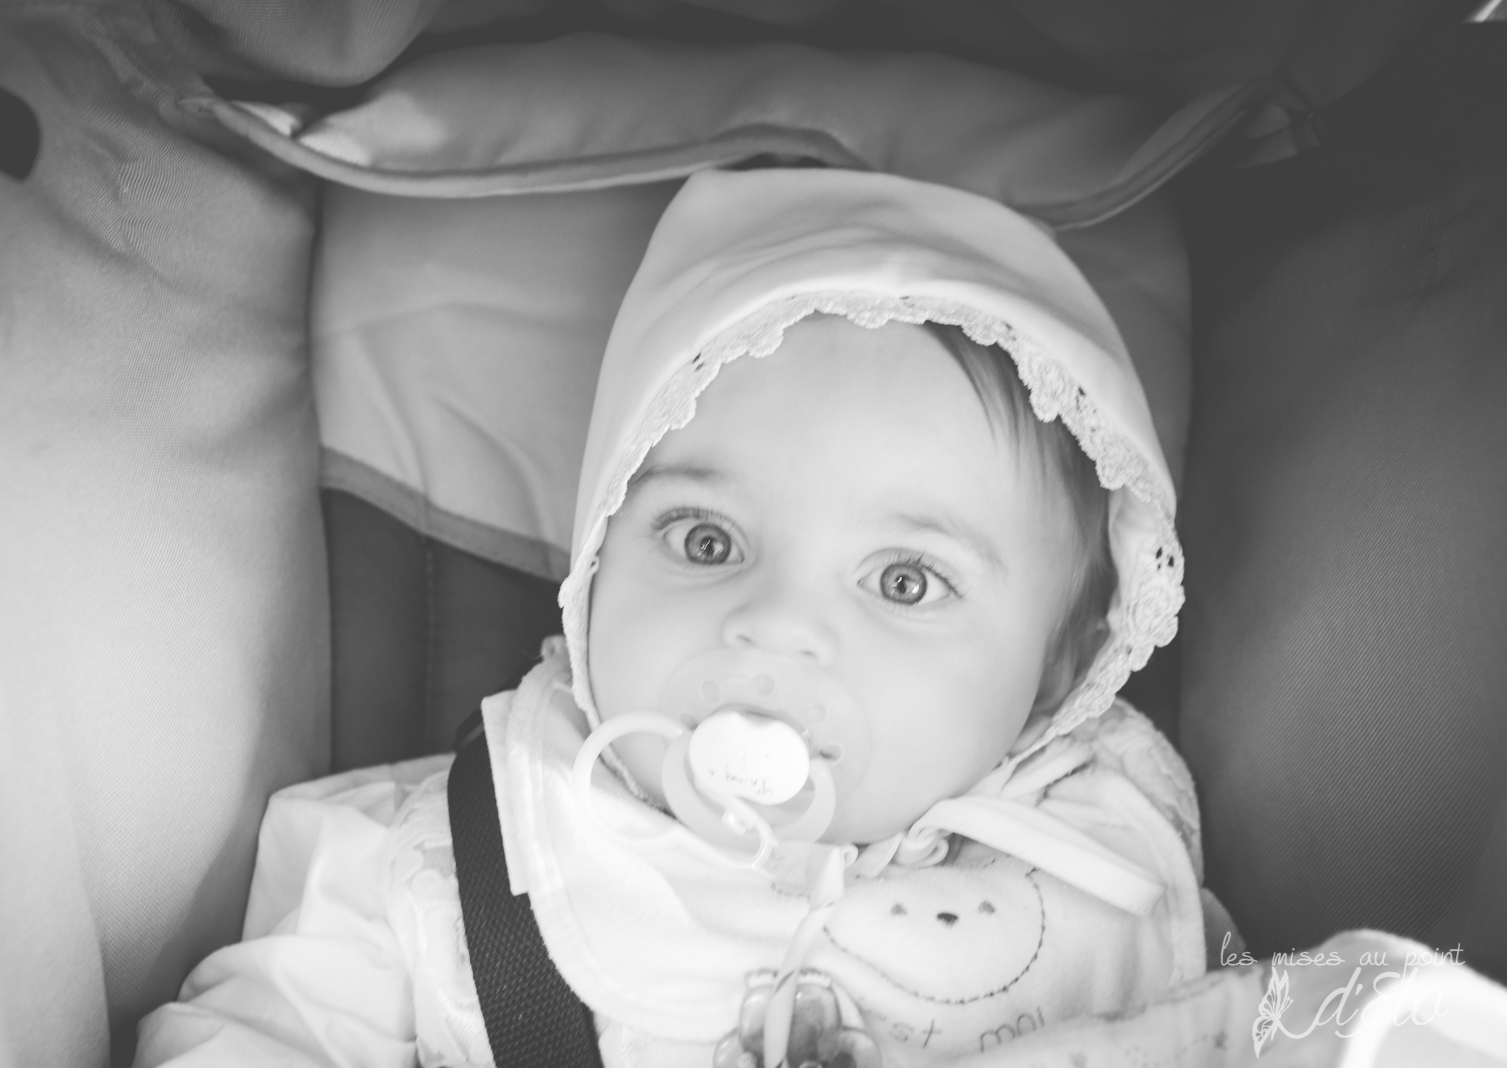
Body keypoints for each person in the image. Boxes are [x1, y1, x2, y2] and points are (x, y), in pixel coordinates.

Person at [134, 168, 1212, 1068]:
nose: (774, 625)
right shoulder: (430, 867)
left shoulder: (1111, 876)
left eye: (904, 582)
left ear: (1057, 669)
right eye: (706, 541)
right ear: (597, 556)